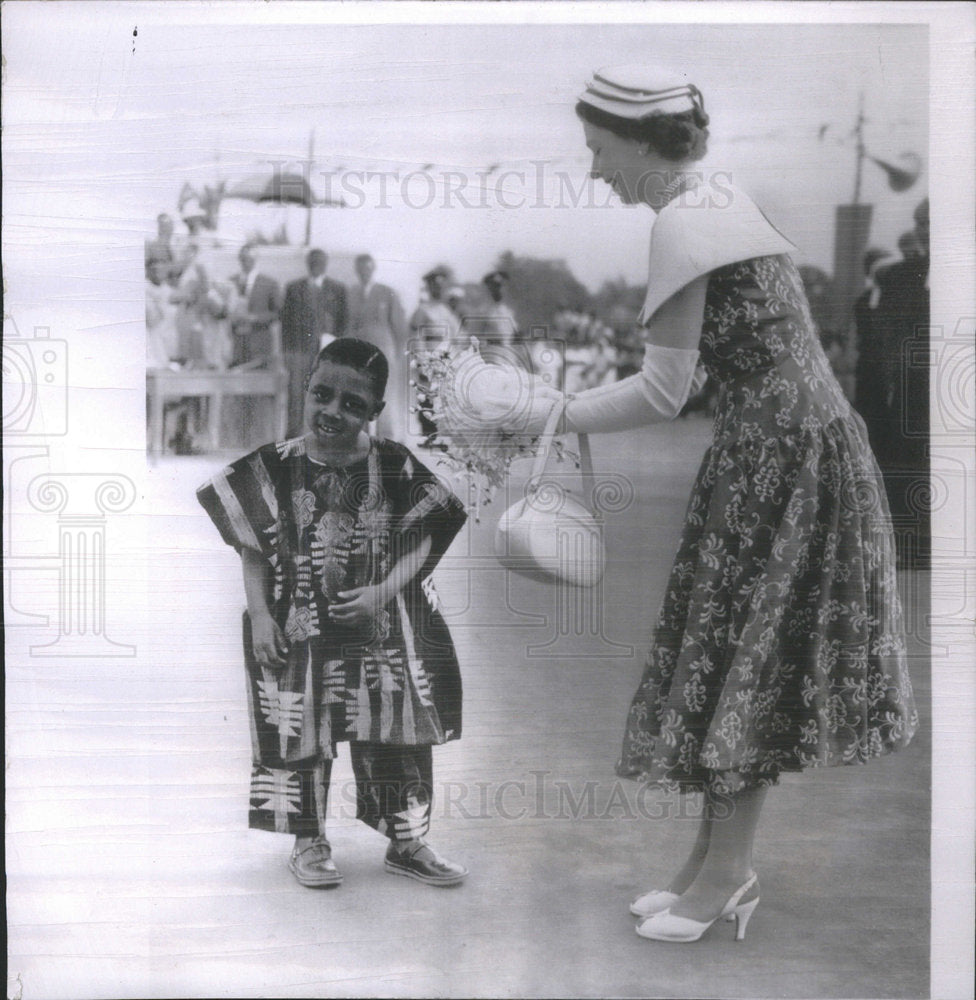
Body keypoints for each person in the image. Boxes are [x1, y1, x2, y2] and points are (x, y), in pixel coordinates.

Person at [459, 65, 916, 942]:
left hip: (780, 457)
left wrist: (538, 412)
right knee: (727, 655)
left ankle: (731, 873)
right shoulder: (718, 199)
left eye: (599, 150)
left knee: (742, 659)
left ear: (638, 142)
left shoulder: (682, 219)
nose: (595, 170)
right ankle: (711, 864)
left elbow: (664, 392)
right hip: (786, 448)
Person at [196, 338, 469, 889]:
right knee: (302, 723)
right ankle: (309, 839)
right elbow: (252, 545)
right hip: (297, 625)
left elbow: (429, 528)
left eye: (352, 404)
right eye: (323, 395)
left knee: (396, 725)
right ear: (307, 388)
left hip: (380, 629)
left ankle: (407, 839)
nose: (333, 412)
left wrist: (382, 593)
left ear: (374, 411)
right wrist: (262, 617)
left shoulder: (392, 464)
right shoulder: (276, 466)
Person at [872, 200, 930, 568]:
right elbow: (886, 335)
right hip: (912, 388)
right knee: (908, 464)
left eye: (930, 222)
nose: (925, 230)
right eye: (921, 222)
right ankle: (911, 545)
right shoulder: (899, 277)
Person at [281, 248, 349, 436]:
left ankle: (324, 435)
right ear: (307, 264)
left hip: (327, 354)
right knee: (296, 395)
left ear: (326, 264)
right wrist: (286, 354)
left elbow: (344, 323)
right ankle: (293, 436)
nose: (316, 266)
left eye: (320, 262)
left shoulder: (338, 289)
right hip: (299, 352)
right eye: (313, 262)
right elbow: (285, 324)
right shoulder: (294, 288)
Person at [222, 244, 284, 449]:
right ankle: (237, 442)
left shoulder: (269, 283)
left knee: (259, 395)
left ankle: (260, 442)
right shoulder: (230, 282)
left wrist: (255, 318)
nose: (245, 262)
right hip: (237, 347)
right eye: (242, 258)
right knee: (237, 394)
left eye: (249, 258)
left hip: (259, 348)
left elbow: (278, 314)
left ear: (256, 259)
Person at [348, 254, 409, 442]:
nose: (364, 272)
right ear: (356, 270)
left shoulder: (386, 292)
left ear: (373, 269)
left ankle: (387, 438)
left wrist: (398, 354)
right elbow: (348, 324)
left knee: (385, 395)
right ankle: (362, 436)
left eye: (367, 268)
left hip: (384, 350)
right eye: (361, 269)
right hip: (359, 351)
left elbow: (399, 327)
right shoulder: (351, 293)